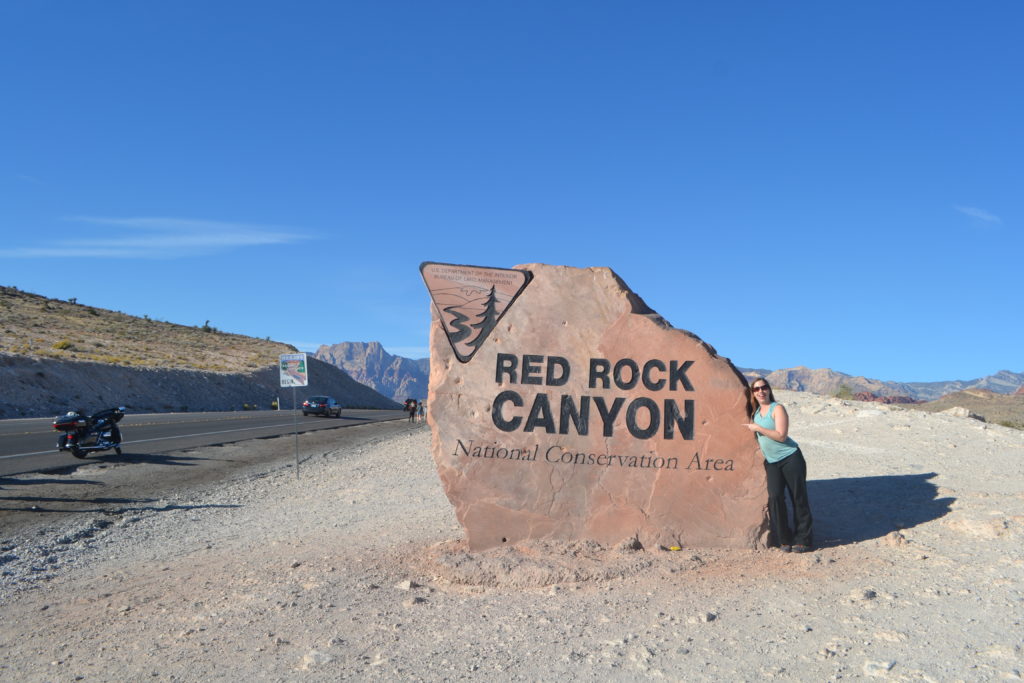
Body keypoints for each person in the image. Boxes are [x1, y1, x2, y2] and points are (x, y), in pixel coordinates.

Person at [744, 377, 814, 553]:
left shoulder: (777, 409)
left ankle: (803, 539)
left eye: (764, 387)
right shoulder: (755, 412)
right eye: (756, 389)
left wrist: (758, 428)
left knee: (798, 497)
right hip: (772, 462)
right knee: (775, 498)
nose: (761, 391)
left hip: (790, 457)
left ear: (769, 390)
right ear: (753, 393)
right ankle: (785, 538)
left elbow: (781, 435)